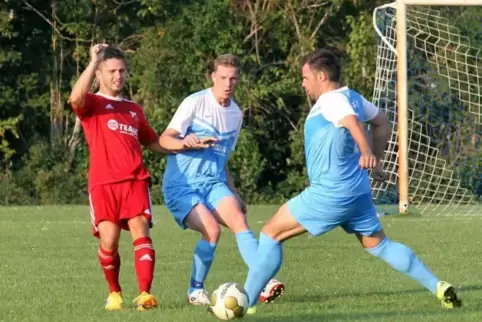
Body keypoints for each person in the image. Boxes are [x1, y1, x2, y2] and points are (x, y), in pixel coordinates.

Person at [241, 49, 462, 314]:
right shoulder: (353, 97)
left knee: (270, 233)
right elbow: (381, 122)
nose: (303, 83)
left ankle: (245, 304)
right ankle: (439, 287)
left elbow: (352, 122)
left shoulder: (332, 101)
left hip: (330, 193)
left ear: (321, 76)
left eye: (305, 77)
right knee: (379, 244)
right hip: (357, 193)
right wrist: (376, 161)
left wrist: (368, 153)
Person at [159, 54, 284, 306]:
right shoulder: (195, 103)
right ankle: (195, 291)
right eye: (223, 77)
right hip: (183, 186)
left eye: (233, 78)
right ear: (213, 77)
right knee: (212, 230)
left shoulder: (235, 114)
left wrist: (234, 192)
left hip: (213, 182)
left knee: (239, 219)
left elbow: (223, 158)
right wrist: (185, 142)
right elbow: (164, 140)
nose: (228, 83)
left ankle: (262, 281)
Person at [69, 44, 166, 311]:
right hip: (102, 184)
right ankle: (115, 293)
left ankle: (145, 294)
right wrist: (92, 61)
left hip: (135, 180)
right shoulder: (93, 104)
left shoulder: (134, 109)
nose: (118, 76)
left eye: (122, 71)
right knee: (108, 242)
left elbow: (154, 142)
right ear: (99, 74)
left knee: (140, 232)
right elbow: (75, 99)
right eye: (111, 71)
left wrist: (188, 145)